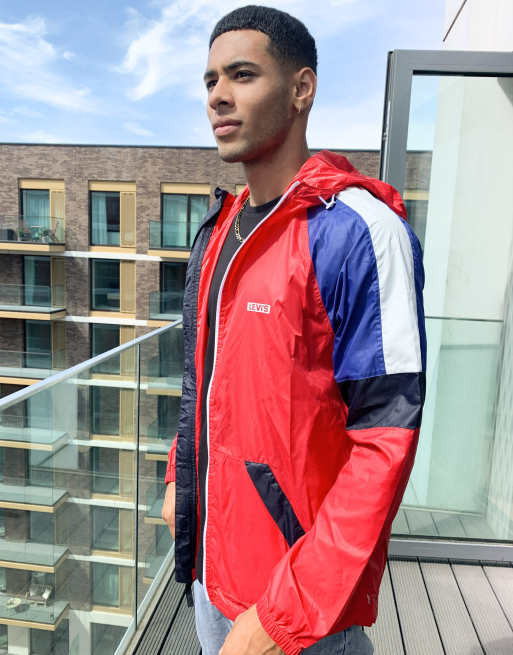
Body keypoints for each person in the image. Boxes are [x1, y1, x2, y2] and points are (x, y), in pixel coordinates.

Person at [162, 5, 426, 655]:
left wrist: (286, 613)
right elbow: (202, 381)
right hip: (211, 574)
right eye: (210, 80)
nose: (217, 96)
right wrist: (177, 478)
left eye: (242, 74)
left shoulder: (359, 231)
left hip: (299, 610)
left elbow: (384, 441)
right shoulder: (218, 233)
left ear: (301, 88)